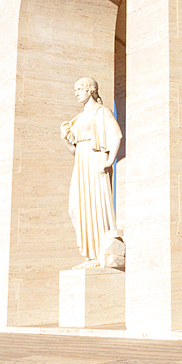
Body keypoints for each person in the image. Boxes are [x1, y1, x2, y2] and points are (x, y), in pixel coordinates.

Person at [61, 77, 121, 268]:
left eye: (79, 89)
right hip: (81, 161)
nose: (76, 93)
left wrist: (109, 160)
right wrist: (65, 140)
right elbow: (74, 151)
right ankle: (89, 254)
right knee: (76, 207)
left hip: (96, 159)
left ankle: (97, 255)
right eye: (75, 89)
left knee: (95, 204)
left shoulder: (101, 111)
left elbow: (116, 135)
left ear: (90, 90)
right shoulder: (77, 119)